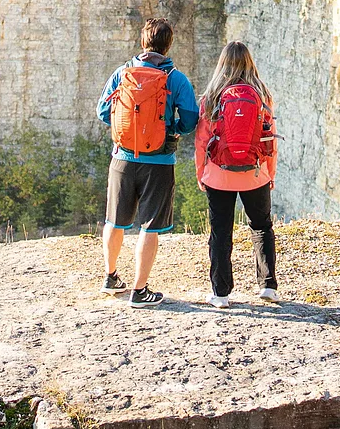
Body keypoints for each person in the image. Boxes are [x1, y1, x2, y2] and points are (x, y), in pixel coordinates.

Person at [98, 17, 199, 308]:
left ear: (143, 43)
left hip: (122, 157)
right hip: (160, 160)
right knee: (149, 226)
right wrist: (171, 129)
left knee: (114, 220)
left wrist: (126, 130)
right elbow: (190, 119)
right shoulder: (176, 79)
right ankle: (140, 291)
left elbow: (103, 112)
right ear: (168, 46)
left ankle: (110, 276)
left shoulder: (122, 73)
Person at [194, 40, 279, 307]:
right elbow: (269, 141)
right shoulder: (262, 95)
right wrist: (270, 172)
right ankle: (268, 286)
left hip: (219, 173)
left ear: (222, 64)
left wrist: (201, 173)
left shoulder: (213, 96)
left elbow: (201, 141)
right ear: (249, 63)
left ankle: (221, 294)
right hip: (255, 173)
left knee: (220, 232)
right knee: (262, 227)